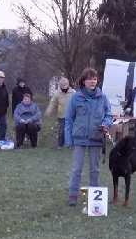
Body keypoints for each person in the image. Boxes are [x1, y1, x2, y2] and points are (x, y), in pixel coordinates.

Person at [65, 68, 113, 207]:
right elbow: (68, 119)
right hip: (79, 138)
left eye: (95, 79)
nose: (93, 81)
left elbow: (108, 115)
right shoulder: (76, 97)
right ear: (83, 81)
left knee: (94, 169)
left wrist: (105, 124)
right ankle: (73, 195)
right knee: (76, 169)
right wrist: (69, 141)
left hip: (96, 138)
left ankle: (94, 198)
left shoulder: (102, 97)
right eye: (90, 79)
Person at [45, 77, 76, 149]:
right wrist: (49, 111)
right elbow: (53, 103)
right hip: (61, 115)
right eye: (62, 85)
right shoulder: (57, 93)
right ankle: (60, 144)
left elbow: (77, 102)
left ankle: (72, 144)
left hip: (72, 115)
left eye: (65, 85)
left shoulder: (73, 93)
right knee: (62, 130)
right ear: (60, 85)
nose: (64, 86)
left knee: (72, 130)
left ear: (68, 84)